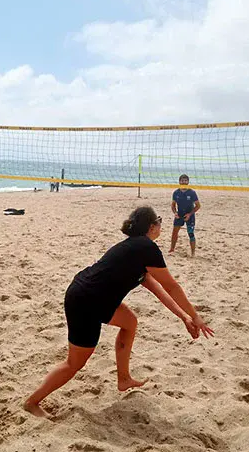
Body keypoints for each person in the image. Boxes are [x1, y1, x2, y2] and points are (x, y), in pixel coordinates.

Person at [24, 206, 213, 418]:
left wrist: (185, 317)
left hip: (92, 296)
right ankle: (32, 402)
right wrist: (196, 316)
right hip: (87, 301)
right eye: (159, 220)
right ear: (152, 227)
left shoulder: (136, 249)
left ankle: (124, 379)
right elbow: (172, 287)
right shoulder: (146, 247)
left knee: (130, 322)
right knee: (74, 363)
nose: (161, 224)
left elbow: (160, 291)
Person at [169, 174, 201, 257]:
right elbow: (173, 205)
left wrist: (190, 214)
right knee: (174, 232)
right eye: (182, 180)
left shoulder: (192, 192)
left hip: (190, 216)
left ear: (188, 182)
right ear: (179, 182)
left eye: (185, 180)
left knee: (191, 233)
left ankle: (193, 253)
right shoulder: (176, 193)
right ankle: (172, 249)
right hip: (179, 215)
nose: (184, 182)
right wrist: (175, 213)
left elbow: (198, 206)